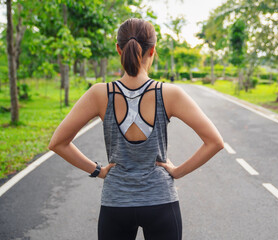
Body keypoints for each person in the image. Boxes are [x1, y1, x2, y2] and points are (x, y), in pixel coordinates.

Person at [48, 18, 224, 240]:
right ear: (153, 50)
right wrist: (177, 171)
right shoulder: (170, 94)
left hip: (115, 203)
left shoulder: (99, 94)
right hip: (161, 201)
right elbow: (215, 142)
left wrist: (98, 170)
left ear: (118, 49)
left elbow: (57, 143)